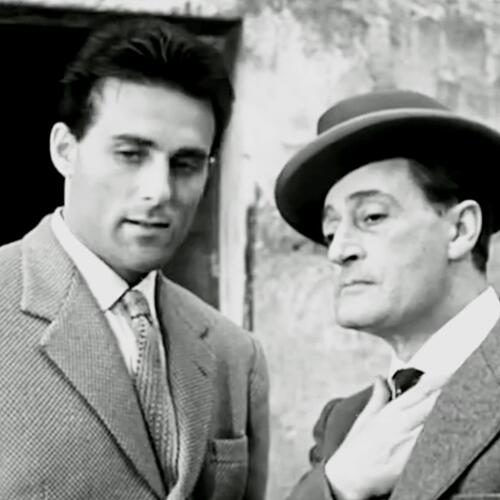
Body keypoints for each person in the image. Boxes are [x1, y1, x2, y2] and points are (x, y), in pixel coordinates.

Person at [0, 16, 269, 500]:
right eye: (130, 154)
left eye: (185, 164)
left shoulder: (234, 354)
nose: (159, 190)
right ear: (65, 150)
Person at [274, 89, 500, 499]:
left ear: (460, 230)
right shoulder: (343, 424)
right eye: (330, 232)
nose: (338, 251)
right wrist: (337, 485)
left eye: (372, 217)